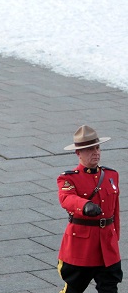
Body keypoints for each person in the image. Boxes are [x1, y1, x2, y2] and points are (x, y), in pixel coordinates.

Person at [57, 125, 122, 293]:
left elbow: (115, 211)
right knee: (73, 289)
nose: (96, 152)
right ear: (78, 153)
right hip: (81, 246)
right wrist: (84, 205)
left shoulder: (111, 175)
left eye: (97, 147)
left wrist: (115, 237)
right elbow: (67, 198)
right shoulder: (68, 178)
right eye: (89, 149)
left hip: (107, 246)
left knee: (110, 288)